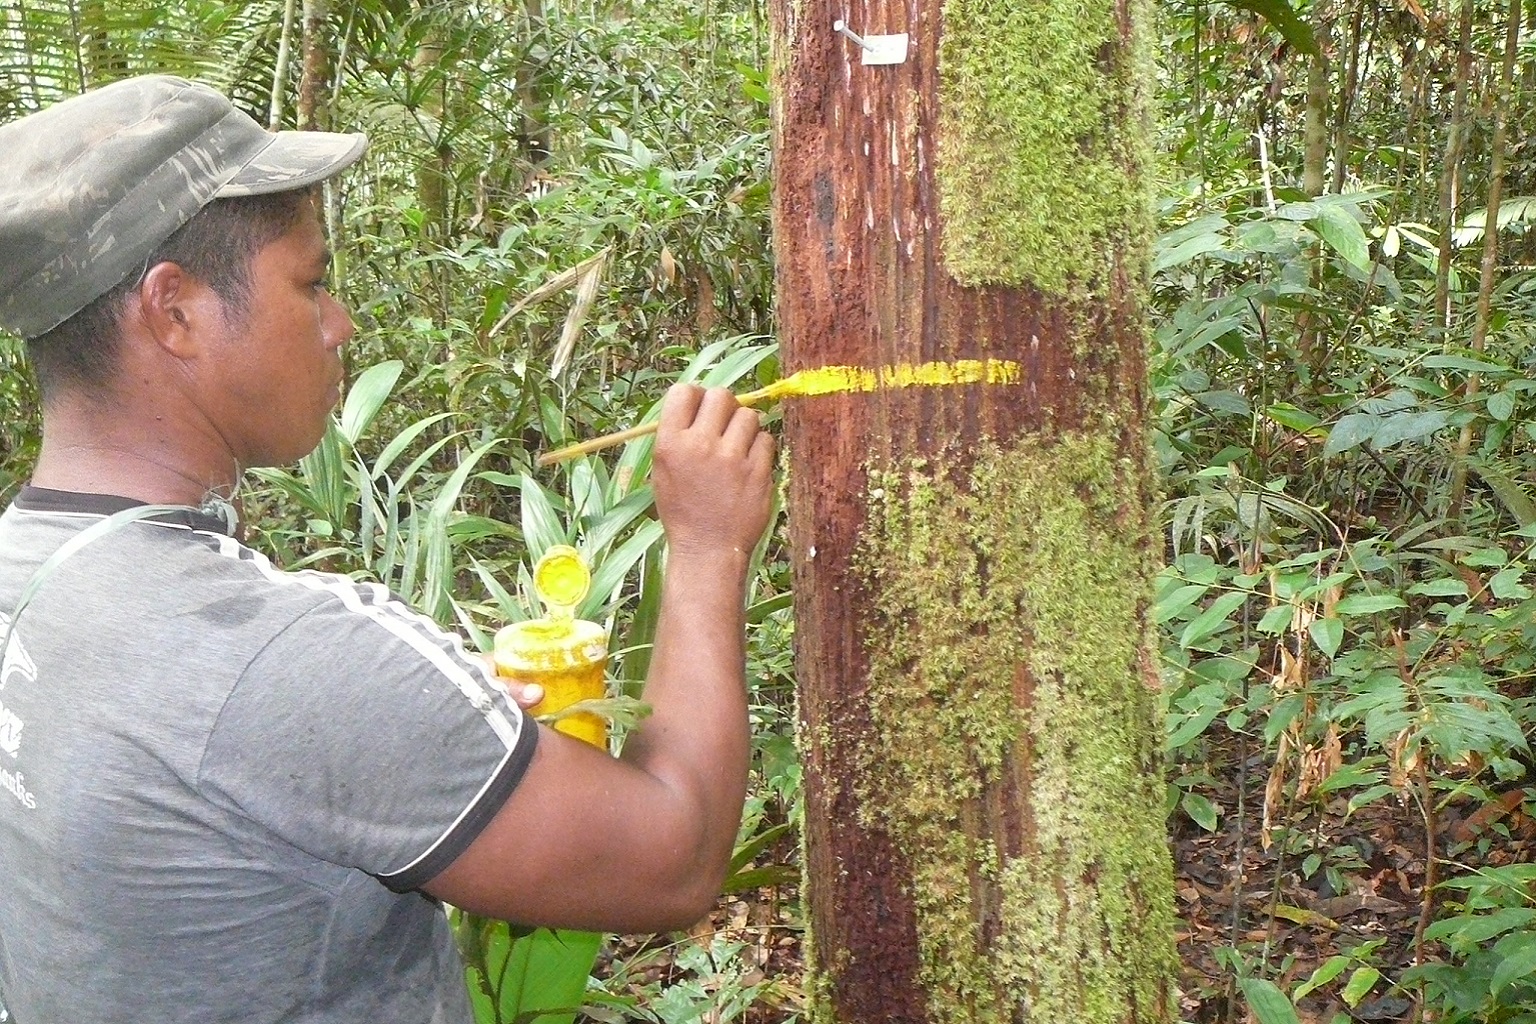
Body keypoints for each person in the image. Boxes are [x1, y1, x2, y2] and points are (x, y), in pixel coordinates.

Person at [0, 75, 775, 1023]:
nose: (340, 325)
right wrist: (704, 548)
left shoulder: (23, 570)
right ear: (176, 311)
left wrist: (423, 740)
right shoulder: (283, 655)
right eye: (312, 282)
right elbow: (673, 857)